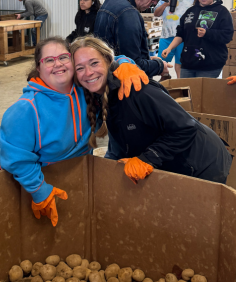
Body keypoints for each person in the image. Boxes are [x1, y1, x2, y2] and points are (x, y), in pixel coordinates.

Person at [0, 36, 149, 226]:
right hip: (13, 172)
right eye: (49, 60)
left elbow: (102, 58)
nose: (57, 64)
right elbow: (17, 158)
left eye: (63, 57)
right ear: (39, 67)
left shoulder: (86, 89)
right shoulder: (26, 109)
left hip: (58, 171)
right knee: (1, 228)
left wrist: (124, 64)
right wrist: (39, 189)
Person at [70, 36, 232, 184]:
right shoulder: (99, 96)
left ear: (107, 61)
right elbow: (120, 139)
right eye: (80, 68)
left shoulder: (136, 89)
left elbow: (186, 127)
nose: (89, 72)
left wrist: (147, 158)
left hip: (202, 163)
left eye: (94, 63)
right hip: (173, 162)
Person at [94, 0, 170, 79]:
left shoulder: (109, 4)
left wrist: (148, 58)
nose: (154, 3)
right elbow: (132, 65)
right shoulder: (128, 13)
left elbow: (117, 54)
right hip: (123, 84)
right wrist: (159, 66)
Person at [162, 0, 233, 78]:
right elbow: (180, 34)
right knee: (186, 89)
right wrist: (169, 48)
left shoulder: (222, 12)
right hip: (188, 62)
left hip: (210, 64)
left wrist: (207, 33)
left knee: (202, 90)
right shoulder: (190, 11)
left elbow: (227, 35)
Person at [154, 0, 193, 79]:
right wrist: (165, 4)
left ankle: (180, 84)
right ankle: (164, 81)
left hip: (183, 37)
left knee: (180, 63)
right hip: (166, 36)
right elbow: (156, 13)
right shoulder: (164, 0)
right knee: (162, 62)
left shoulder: (192, 1)